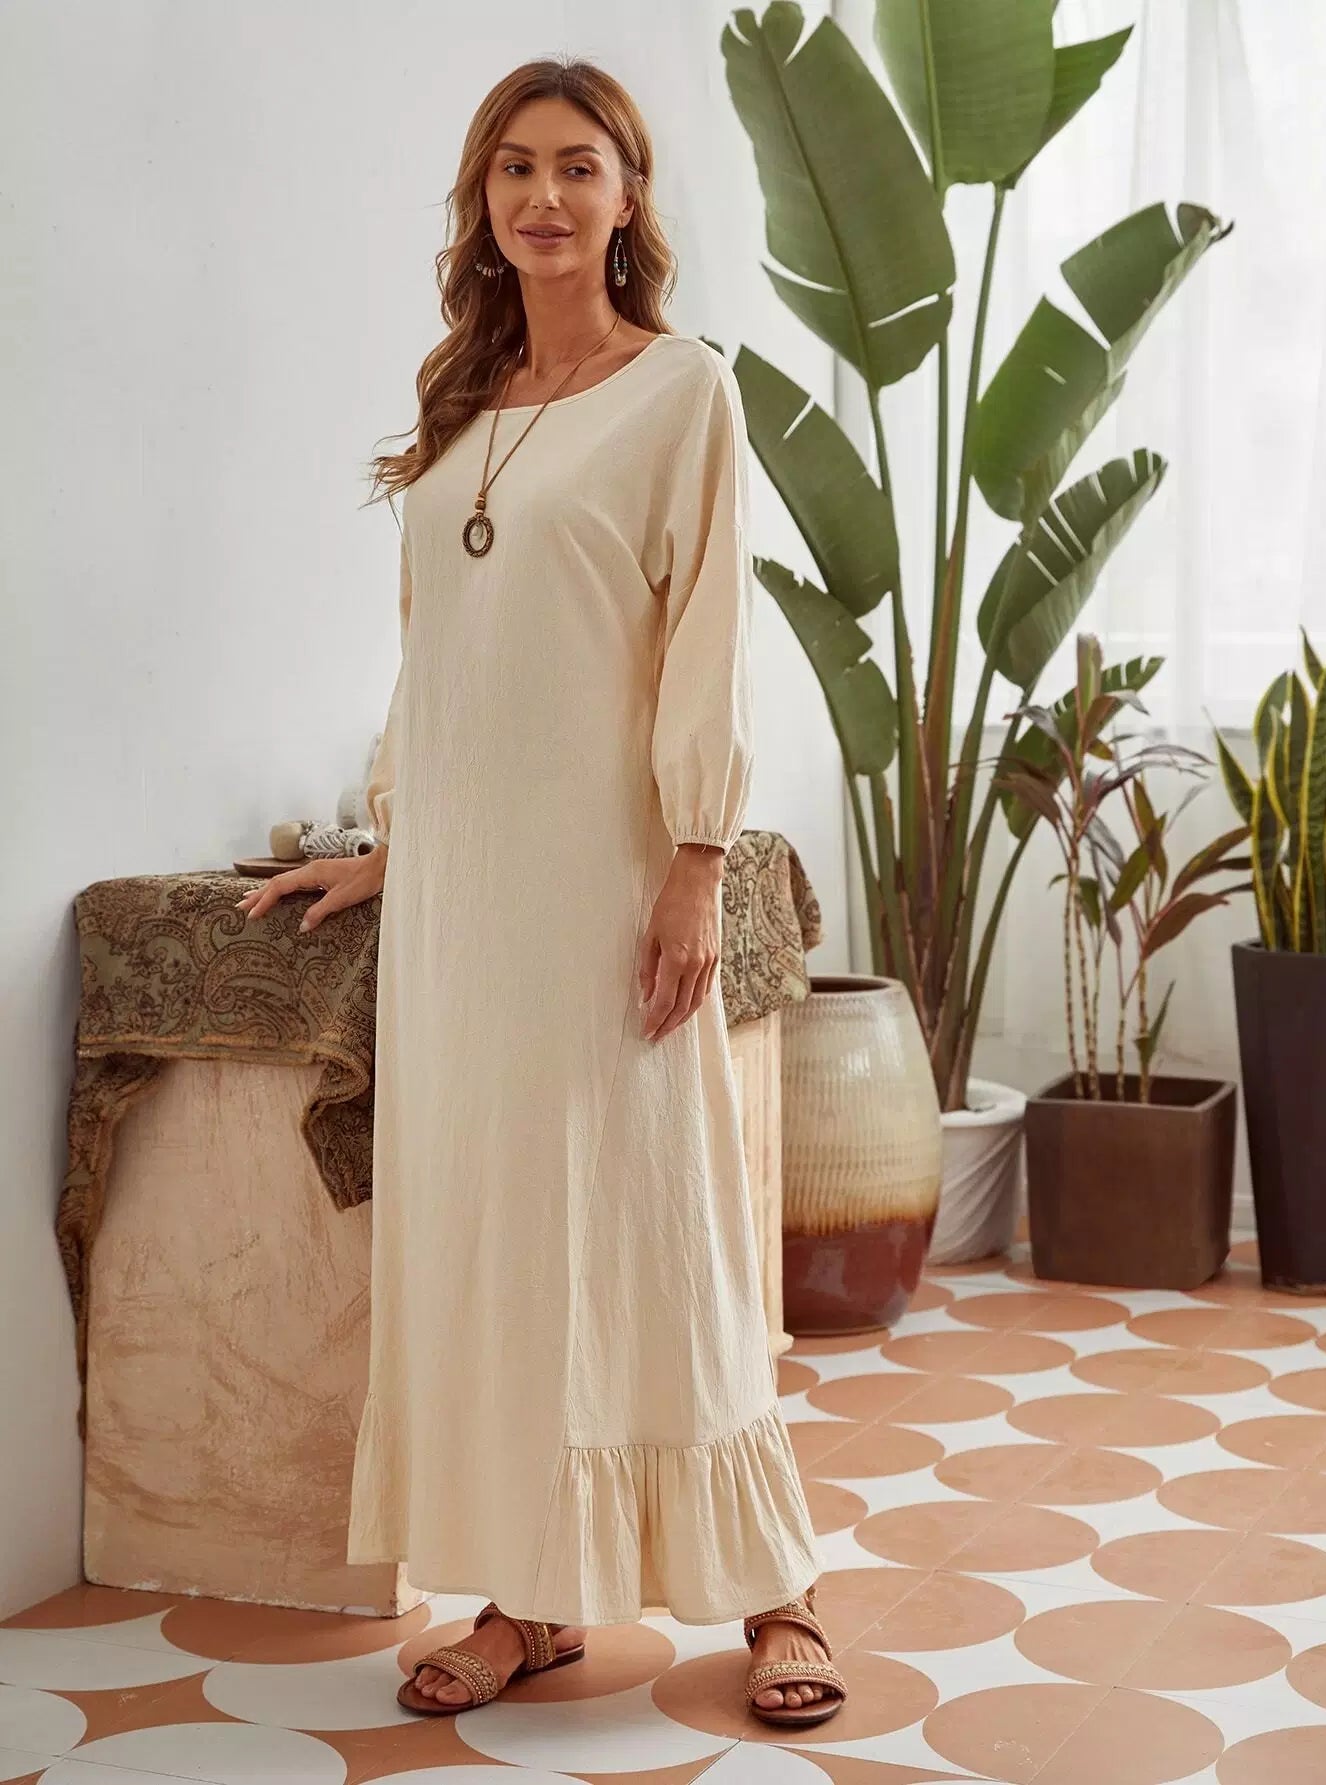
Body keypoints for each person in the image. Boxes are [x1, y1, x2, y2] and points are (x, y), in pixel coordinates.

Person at [236, 56, 847, 1731]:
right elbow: (440, 657)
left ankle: (778, 1586)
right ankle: (530, 1595)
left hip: (605, 881)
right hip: (464, 911)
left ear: (630, 198)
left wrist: (697, 862)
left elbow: (706, 638)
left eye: (579, 166)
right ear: (483, 200)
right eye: (515, 167)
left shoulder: (682, 391)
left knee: (655, 1221)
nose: (545, 196)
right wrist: (397, 837)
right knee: (501, 1233)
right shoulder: (466, 401)